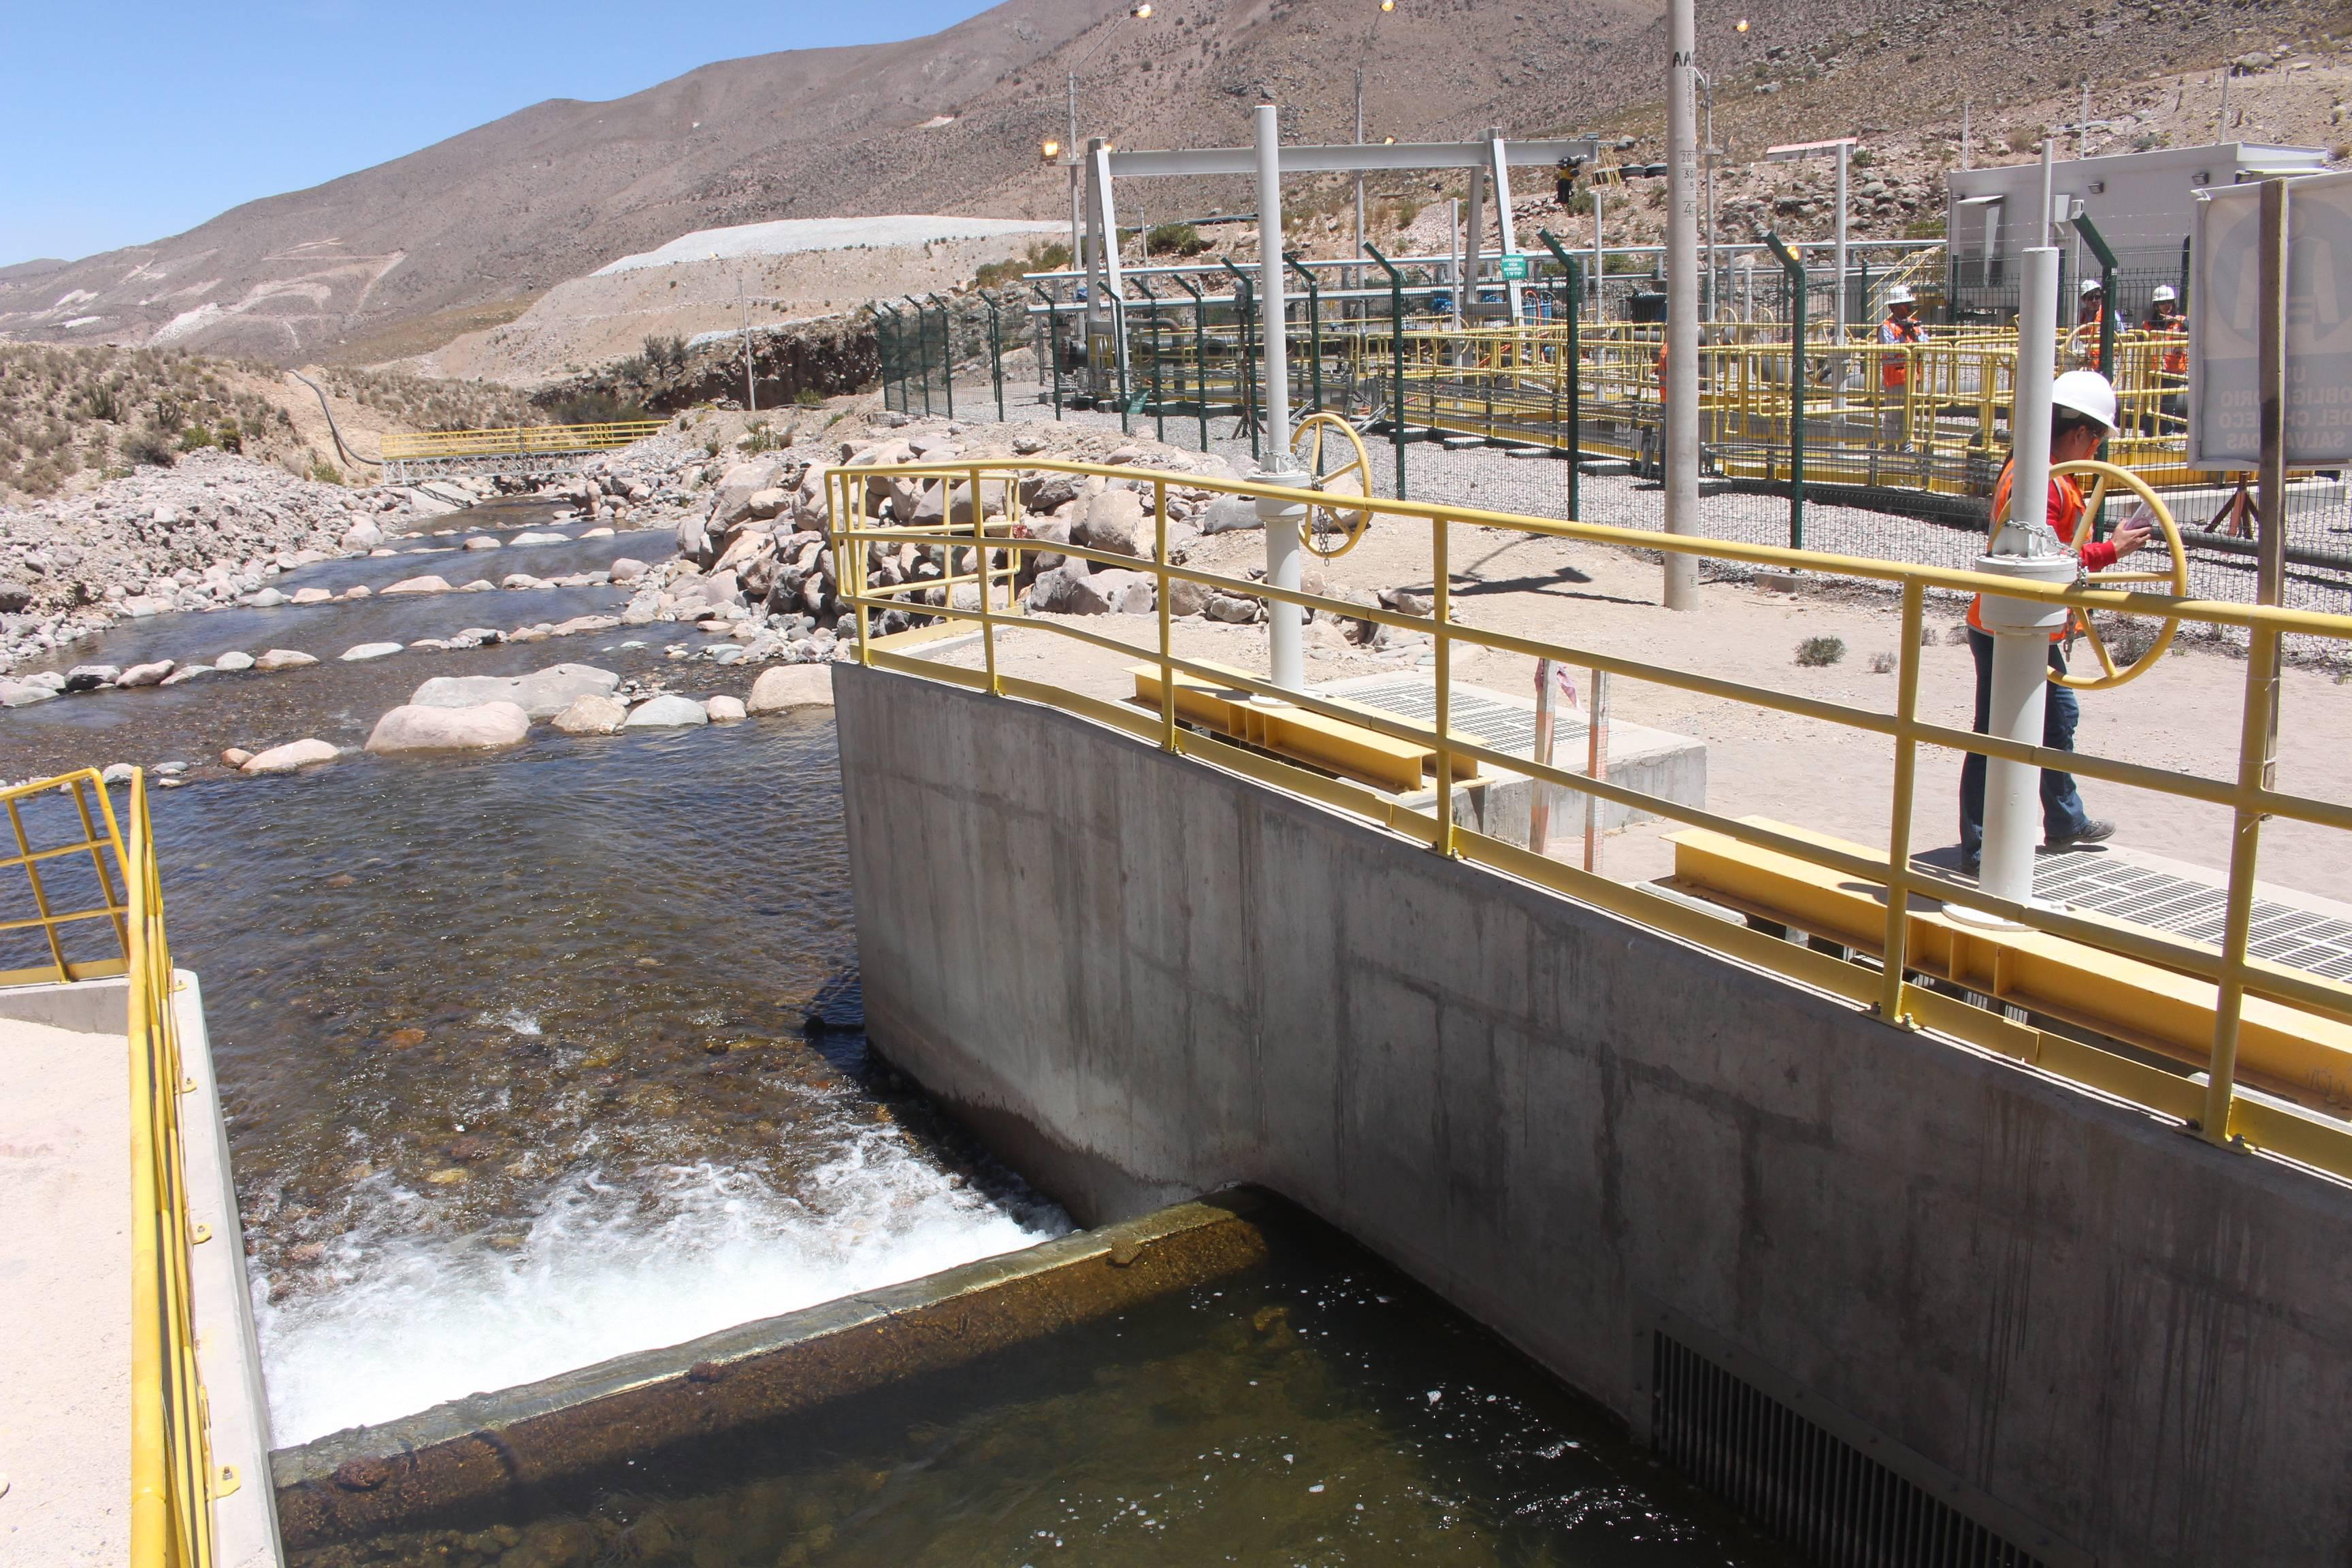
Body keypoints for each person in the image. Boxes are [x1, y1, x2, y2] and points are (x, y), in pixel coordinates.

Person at [1958, 370, 2154, 872]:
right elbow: (2043, 558)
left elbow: (2049, 552)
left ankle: (2064, 820)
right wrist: (2111, 550)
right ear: (2081, 432)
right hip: (2010, 624)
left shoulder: (2042, 474)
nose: (2095, 450)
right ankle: (1980, 846)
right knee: (1996, 733)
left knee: (2054, 719)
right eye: (2097, 440)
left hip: (2022, 620)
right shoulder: (2038, 483)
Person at [1878, 285, 1925, 443]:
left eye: (1909, 304)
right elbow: (1890, 352)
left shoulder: (1914, 325)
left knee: (1909, 415)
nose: (1909, 308)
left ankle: (1906, 445)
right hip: (1895, 379)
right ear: (1893, 307)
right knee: (1893, 416)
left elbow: (1926, 344)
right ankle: (1890, 446)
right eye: (1905, 305)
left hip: (1913, 378)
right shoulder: (1886, 328)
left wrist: (1913, 335)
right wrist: (1906, 342)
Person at [2143, 284, 2187, 432]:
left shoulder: (2180, 321)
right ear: (2156, 306)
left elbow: (2193, 327)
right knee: (2150, 405)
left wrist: (2175, 320)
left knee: (2168, 407)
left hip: (2173, 372)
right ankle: (2150, 437)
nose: (2167, 305)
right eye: (2163, 303)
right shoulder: (2149, 325)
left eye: (2169, 302)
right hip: (2153, 371)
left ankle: (2165, 437)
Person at [2074, 278, 2106, 370]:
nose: (2095, 301)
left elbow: (2122, 337)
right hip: (2084, 363)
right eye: (2091, 298)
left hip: (2103, 364)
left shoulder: (2109, 315)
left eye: (2098, 297)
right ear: (2083, 300)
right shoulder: (2081, 316)